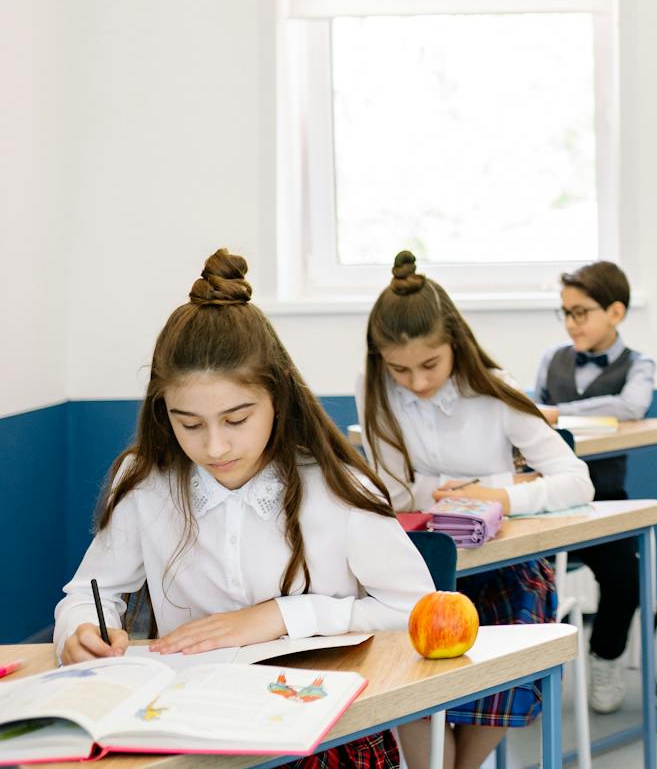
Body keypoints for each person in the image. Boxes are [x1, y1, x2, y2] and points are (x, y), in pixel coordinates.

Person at [56, 249, 431, 769]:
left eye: (237, 420)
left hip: (327, 731)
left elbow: (414, 611)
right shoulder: (146, 483)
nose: (214, 447)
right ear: (164, 411)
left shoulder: (336, 486)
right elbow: (88, 593)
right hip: (191, 729)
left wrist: (279, 616)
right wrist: (78, 631)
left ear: (277, 396)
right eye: (189, 424)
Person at [355, 252, 593, 769]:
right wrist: (477, 484)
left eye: (430, 365)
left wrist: (504, 495)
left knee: (512, 631)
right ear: (380, 362)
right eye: (399, 369)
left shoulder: (495, 389)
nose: (416, 382)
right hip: (420, 567)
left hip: (503, 567)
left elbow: (578, 482)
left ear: (455, 346)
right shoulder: (374, 390)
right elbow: (394, 495)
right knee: (402, 666)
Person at [531, 259, 654, 714]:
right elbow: (528, 410)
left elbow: (632, 405)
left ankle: (606, 656)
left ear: (615, 312)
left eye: (580, 312)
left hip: (604, 499)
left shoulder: (639, 364)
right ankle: (528, 670)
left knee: (625, 578)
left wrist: (559, 413)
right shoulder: (551, 359)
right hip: (547, 499)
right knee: (521, 576)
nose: (570, 323)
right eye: (564, 312)